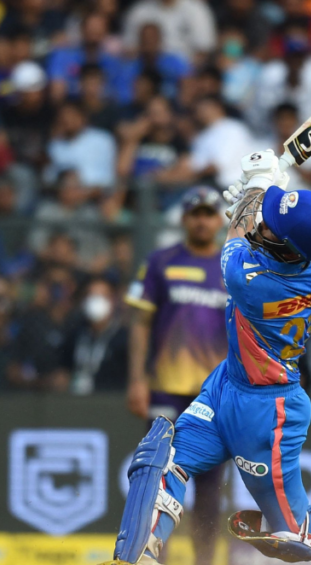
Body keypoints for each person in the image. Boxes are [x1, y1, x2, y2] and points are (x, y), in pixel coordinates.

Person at [100, 150, 311, 565]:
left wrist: (256, 186)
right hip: (225, 385)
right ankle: (135, 557)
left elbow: (235, 237)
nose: (264, 226)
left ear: (288, 252)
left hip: (267, 411)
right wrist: (266, 194)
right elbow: (261, 227)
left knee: (292, 531)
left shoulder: (250, 281)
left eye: (273, 228)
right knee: (159, 460)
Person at [122, 187, 228, 565]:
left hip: (215, 395)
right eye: (195, 213)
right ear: (184, 219)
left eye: (209, 213)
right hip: (165, 387)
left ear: (220, 219)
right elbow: (140, 323)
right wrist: (137, 380)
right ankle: (154, 558)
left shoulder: (232, 267)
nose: (202, 220)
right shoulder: (160, 262)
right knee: (157, 477)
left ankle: (206, 560)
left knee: (212, 487)